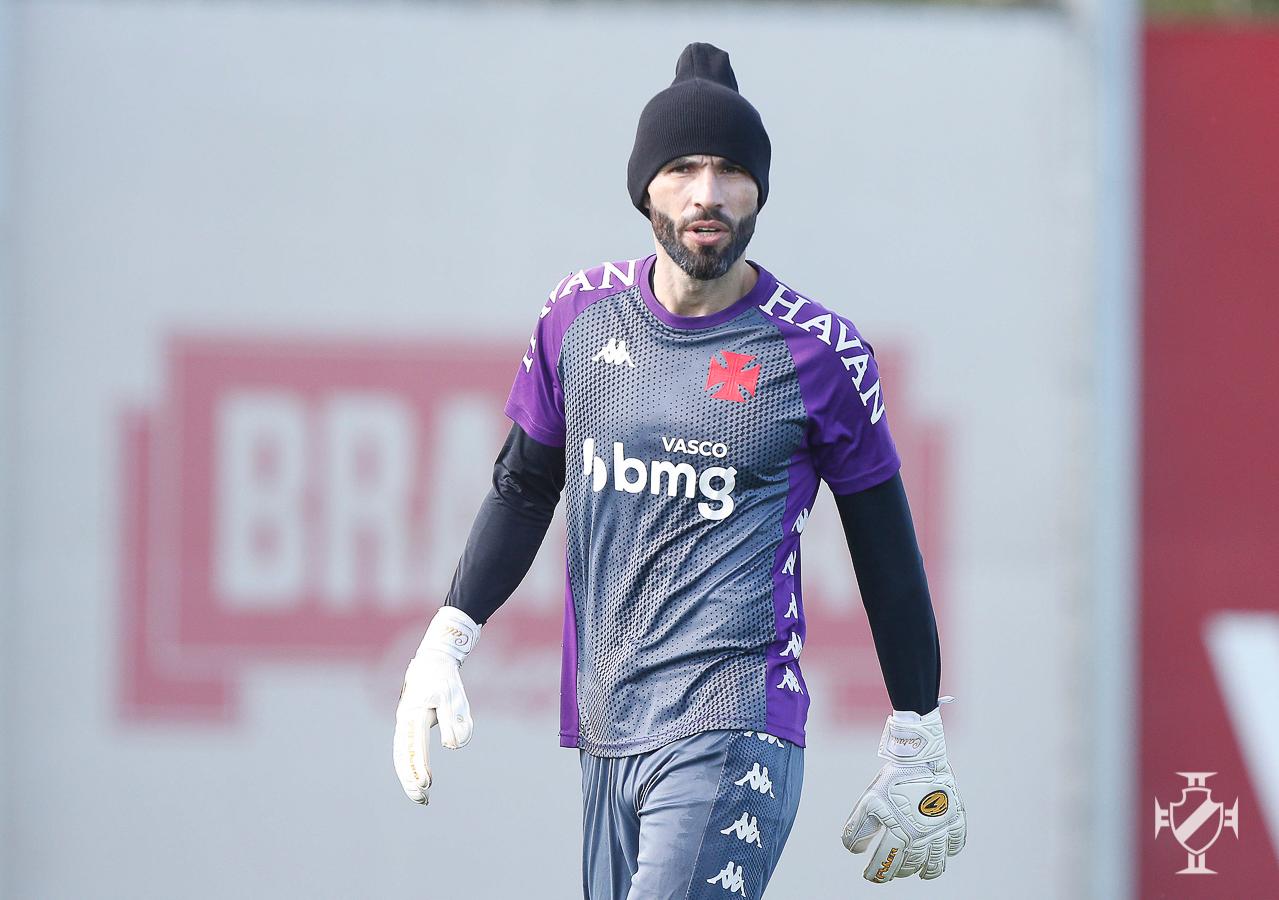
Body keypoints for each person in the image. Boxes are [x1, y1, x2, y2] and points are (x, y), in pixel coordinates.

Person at [393, 42, 967, 897]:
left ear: (758, 191)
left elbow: (886, 551)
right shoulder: (577, 316)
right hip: (607, 728)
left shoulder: (820, 352)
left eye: (732, 170)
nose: (708, 193)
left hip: (735, 721)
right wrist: (448, 635)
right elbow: (524, 485)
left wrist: (916, 726)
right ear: (645, 191)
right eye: (683, 168)